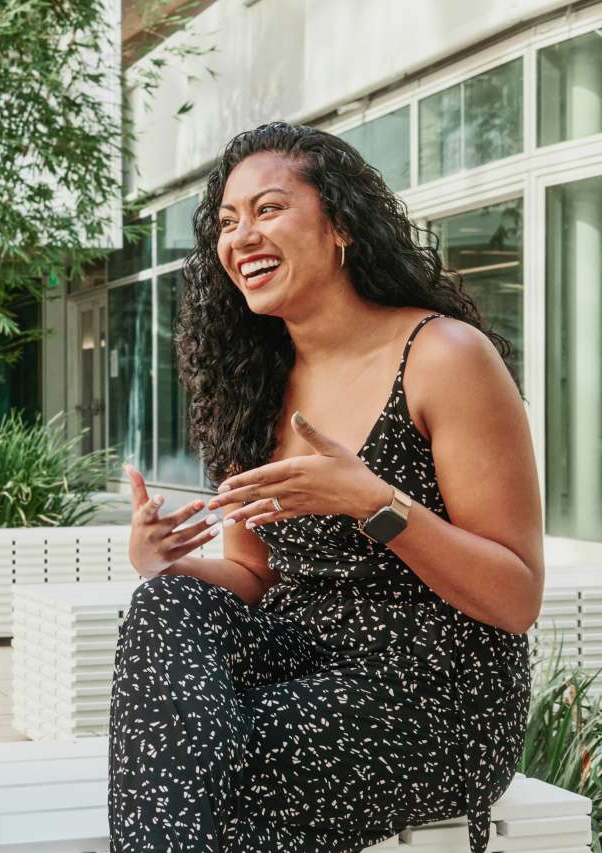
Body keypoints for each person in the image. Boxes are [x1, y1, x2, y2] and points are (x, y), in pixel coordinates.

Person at [109, 121, 541, 853]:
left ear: (341, 225)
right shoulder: (254, 385)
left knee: (203, 761)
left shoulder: (443, 356)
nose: (241, 235)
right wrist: (166, 559)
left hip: (435, 690)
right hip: (300, 658)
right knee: (165, 606)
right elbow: (254, 570)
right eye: (226, 221)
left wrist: (375, 503)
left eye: (269, 209)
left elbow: (515, 596)